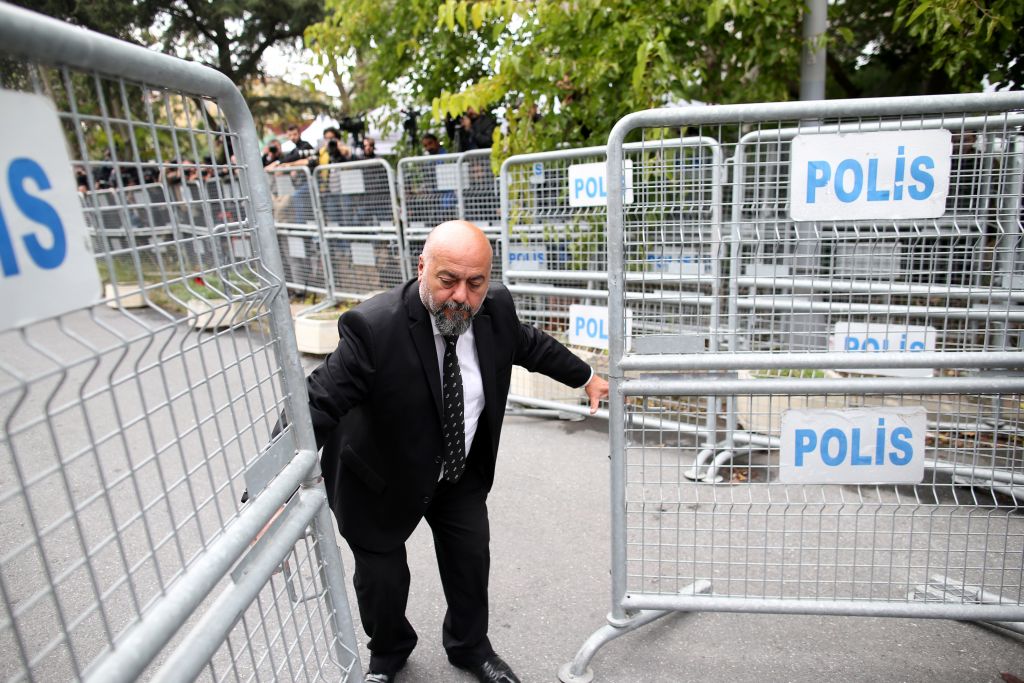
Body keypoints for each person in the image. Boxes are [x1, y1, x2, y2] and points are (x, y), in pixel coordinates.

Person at [302, 220, 609, 682]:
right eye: (448, 280)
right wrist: (273, 489)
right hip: (380, 478)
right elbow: (316, 404)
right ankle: (388, 653)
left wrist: (586, 377)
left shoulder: (495, 309)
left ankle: (470, 647)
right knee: (383, 583)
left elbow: (530, 344)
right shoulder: (374, 327)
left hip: (455, 470)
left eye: (475, 283)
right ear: (422, 268)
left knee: (470, 561)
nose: (461, 297)